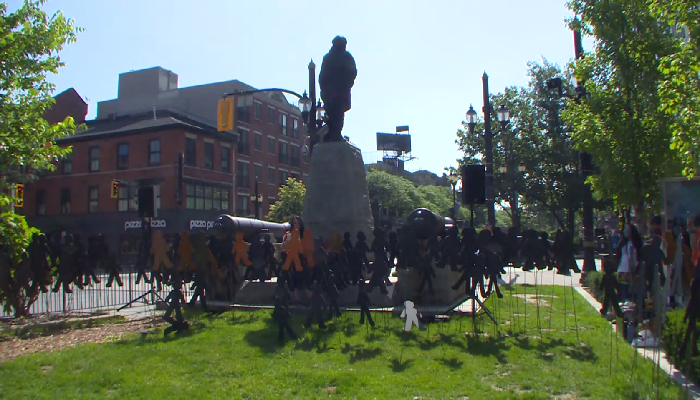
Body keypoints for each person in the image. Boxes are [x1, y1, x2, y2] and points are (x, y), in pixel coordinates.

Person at [616, 223, 643, 302]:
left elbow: (640, 256)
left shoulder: (637, 243)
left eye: (628, 230)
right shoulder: (622, 243)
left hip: (633, 270)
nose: (626, 231)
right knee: (623, 290)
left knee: (633, 290)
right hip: (622, 269)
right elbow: (618, 255)